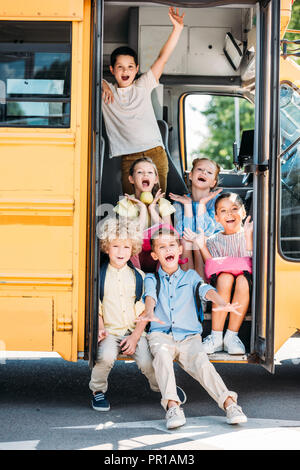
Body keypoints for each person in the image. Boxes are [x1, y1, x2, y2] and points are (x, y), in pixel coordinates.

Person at [138, 226, 247, 430]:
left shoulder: (191, 277)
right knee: (161, 356)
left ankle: (230, 404)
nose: (167, 249)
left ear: (180, 249)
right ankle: (172, 406)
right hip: (161, 335)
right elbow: (150, 296)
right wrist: (149, 311)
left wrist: (221, 302)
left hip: (189, 338)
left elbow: (206, 290)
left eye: (172, 245)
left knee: (203, 365)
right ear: (154, 255)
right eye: (162, 247)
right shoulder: (152, 278)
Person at [89, 218, 186, 411]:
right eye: (115, 246)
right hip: (110, 332)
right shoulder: (99, 276)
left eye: (126, 247)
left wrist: (134, 337)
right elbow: (97, 306)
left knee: (148, 362)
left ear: (133, 249)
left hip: (135, 332)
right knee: (106, 357)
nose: (120, 252)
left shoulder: (139, 277)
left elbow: (143, 311)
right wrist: (100, 328)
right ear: (107, 248)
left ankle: (163, 388)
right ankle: (97, 391)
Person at [101, 7, 185, 194]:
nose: (125, 71)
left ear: (137, 68)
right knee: (130, 210)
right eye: (120, 67)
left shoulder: (142, 86)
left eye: (130, 66)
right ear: (112, 69)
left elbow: (162, 58)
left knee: (157, 205)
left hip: (155, 152)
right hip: (128, 157)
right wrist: (101, 82)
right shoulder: (105, 92)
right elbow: (79, 72)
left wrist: (177, 30)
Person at [183, 192, 253, 355]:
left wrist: (249, 238)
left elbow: (251, 263)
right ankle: (215, 336)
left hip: (245, 286)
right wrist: (202, 246)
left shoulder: (250, 234)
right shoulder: (214, 240)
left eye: (234, 208)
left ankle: (231, 337)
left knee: (242, 280)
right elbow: (212, 267)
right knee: (225, 277)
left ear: (243, 212)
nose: (229, 214)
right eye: (223, 211)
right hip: (221, 285)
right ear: (216, 218)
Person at [114, 157, 175, 272]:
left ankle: (162, 280)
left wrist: (152, 209)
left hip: (157, 253)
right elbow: (127, 237)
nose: (145, 175)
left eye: (150, 172)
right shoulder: (125, 204)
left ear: (156, 179)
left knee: (167, 242)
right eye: (140, 172)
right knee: (128, 241)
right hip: (135, 254)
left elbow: (169, 233)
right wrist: (142, 210)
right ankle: (136, 278)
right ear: (131, 179)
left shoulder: (163, 203)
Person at [170, 157, 223, 278]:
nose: (204, 172)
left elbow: (208, 231)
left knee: (201, 239)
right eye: (200, 169)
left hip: (211, 244)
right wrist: (188, 206)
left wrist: (202, 205)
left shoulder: (217, 201)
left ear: (213, 183)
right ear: (191, 175)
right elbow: (180, 232)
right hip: (188, 244)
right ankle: (189, 285)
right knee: (185, 241)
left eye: (209, 172)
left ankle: (201, 285)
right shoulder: (180, 202)